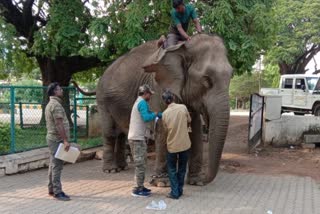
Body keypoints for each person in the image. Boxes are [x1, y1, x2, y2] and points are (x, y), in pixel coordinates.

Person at [128, 84, 162, 197]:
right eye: (150, 94)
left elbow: (147, 114)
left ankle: (140, 186)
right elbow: (146, 117)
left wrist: (157, 114)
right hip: (137, 138)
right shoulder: (142, 103)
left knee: (142, 163)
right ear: (145, 93)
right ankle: (137, 189)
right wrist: (156, 114)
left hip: (138, 137)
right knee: (140, 164)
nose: (150, 96)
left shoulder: (141, 102)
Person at [161, 90, 191, 199]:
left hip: (172, 146)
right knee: (182, 168)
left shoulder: (164, 114)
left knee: (172, 169)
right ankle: (180, 190)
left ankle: (174, 192)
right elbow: (189, 119)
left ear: (165, 102)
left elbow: (165, 129)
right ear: (173, 98)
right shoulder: (183, 107)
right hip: (184, 144)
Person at [45, 82, 71, 201]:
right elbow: (59, 124)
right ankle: (57, 192)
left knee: (53, 165)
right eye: (60, 89)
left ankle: (51, 189)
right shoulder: (56, 105)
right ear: (55, 91)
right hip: (57, 139)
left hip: (52, 138)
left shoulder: (51, 104)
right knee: (57, 166)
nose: (62, 90)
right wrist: (65, 140)